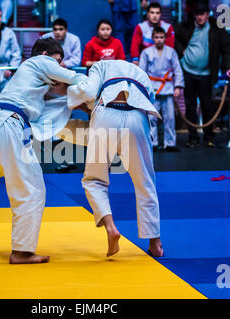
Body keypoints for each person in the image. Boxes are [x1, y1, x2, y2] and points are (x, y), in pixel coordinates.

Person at [0, 38, 86, 264]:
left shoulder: (30, 82)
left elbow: (58, 100)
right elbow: (75, 79)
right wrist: (94, 84)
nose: (60, 67)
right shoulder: (39, 61)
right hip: (8, 126)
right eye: (58, 62)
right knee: (31, 188)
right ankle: (21, 251)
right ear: (46, 55)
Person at [65, 59, 164, 258]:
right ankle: (155, 243)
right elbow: (149, 99)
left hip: (106, 114)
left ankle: (111, 228)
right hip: (137, 116)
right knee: (145, 181)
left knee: (94, 180)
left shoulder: (98, 66)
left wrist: (71, 99)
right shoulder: (138, 71)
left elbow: (89, 92)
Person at [174, 2, 230, 148]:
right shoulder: (186, 26)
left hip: (207, 74)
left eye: (202, 14)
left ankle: (209, 137)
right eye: (197, 14)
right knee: (190, 107)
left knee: (207, 106)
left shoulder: (217, 28)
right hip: (188, 71)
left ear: (207, 14)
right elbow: (173, 37)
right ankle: (193, 137)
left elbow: (227, 48)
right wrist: (181, 51)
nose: (200, 17)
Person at [139, 26, 184, 152]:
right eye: (156, 37)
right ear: (153, 38)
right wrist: (143, 89)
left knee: (170, 117)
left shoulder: (171, 52)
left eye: (161, 37)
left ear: (165, 38)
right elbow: (142, 71)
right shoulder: (146, 52)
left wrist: (178, 86)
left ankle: (169, 143)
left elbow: (178, 70)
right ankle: (152, 143)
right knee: (151, 118)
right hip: (152, 88)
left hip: (168, 88)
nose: (159, 40)